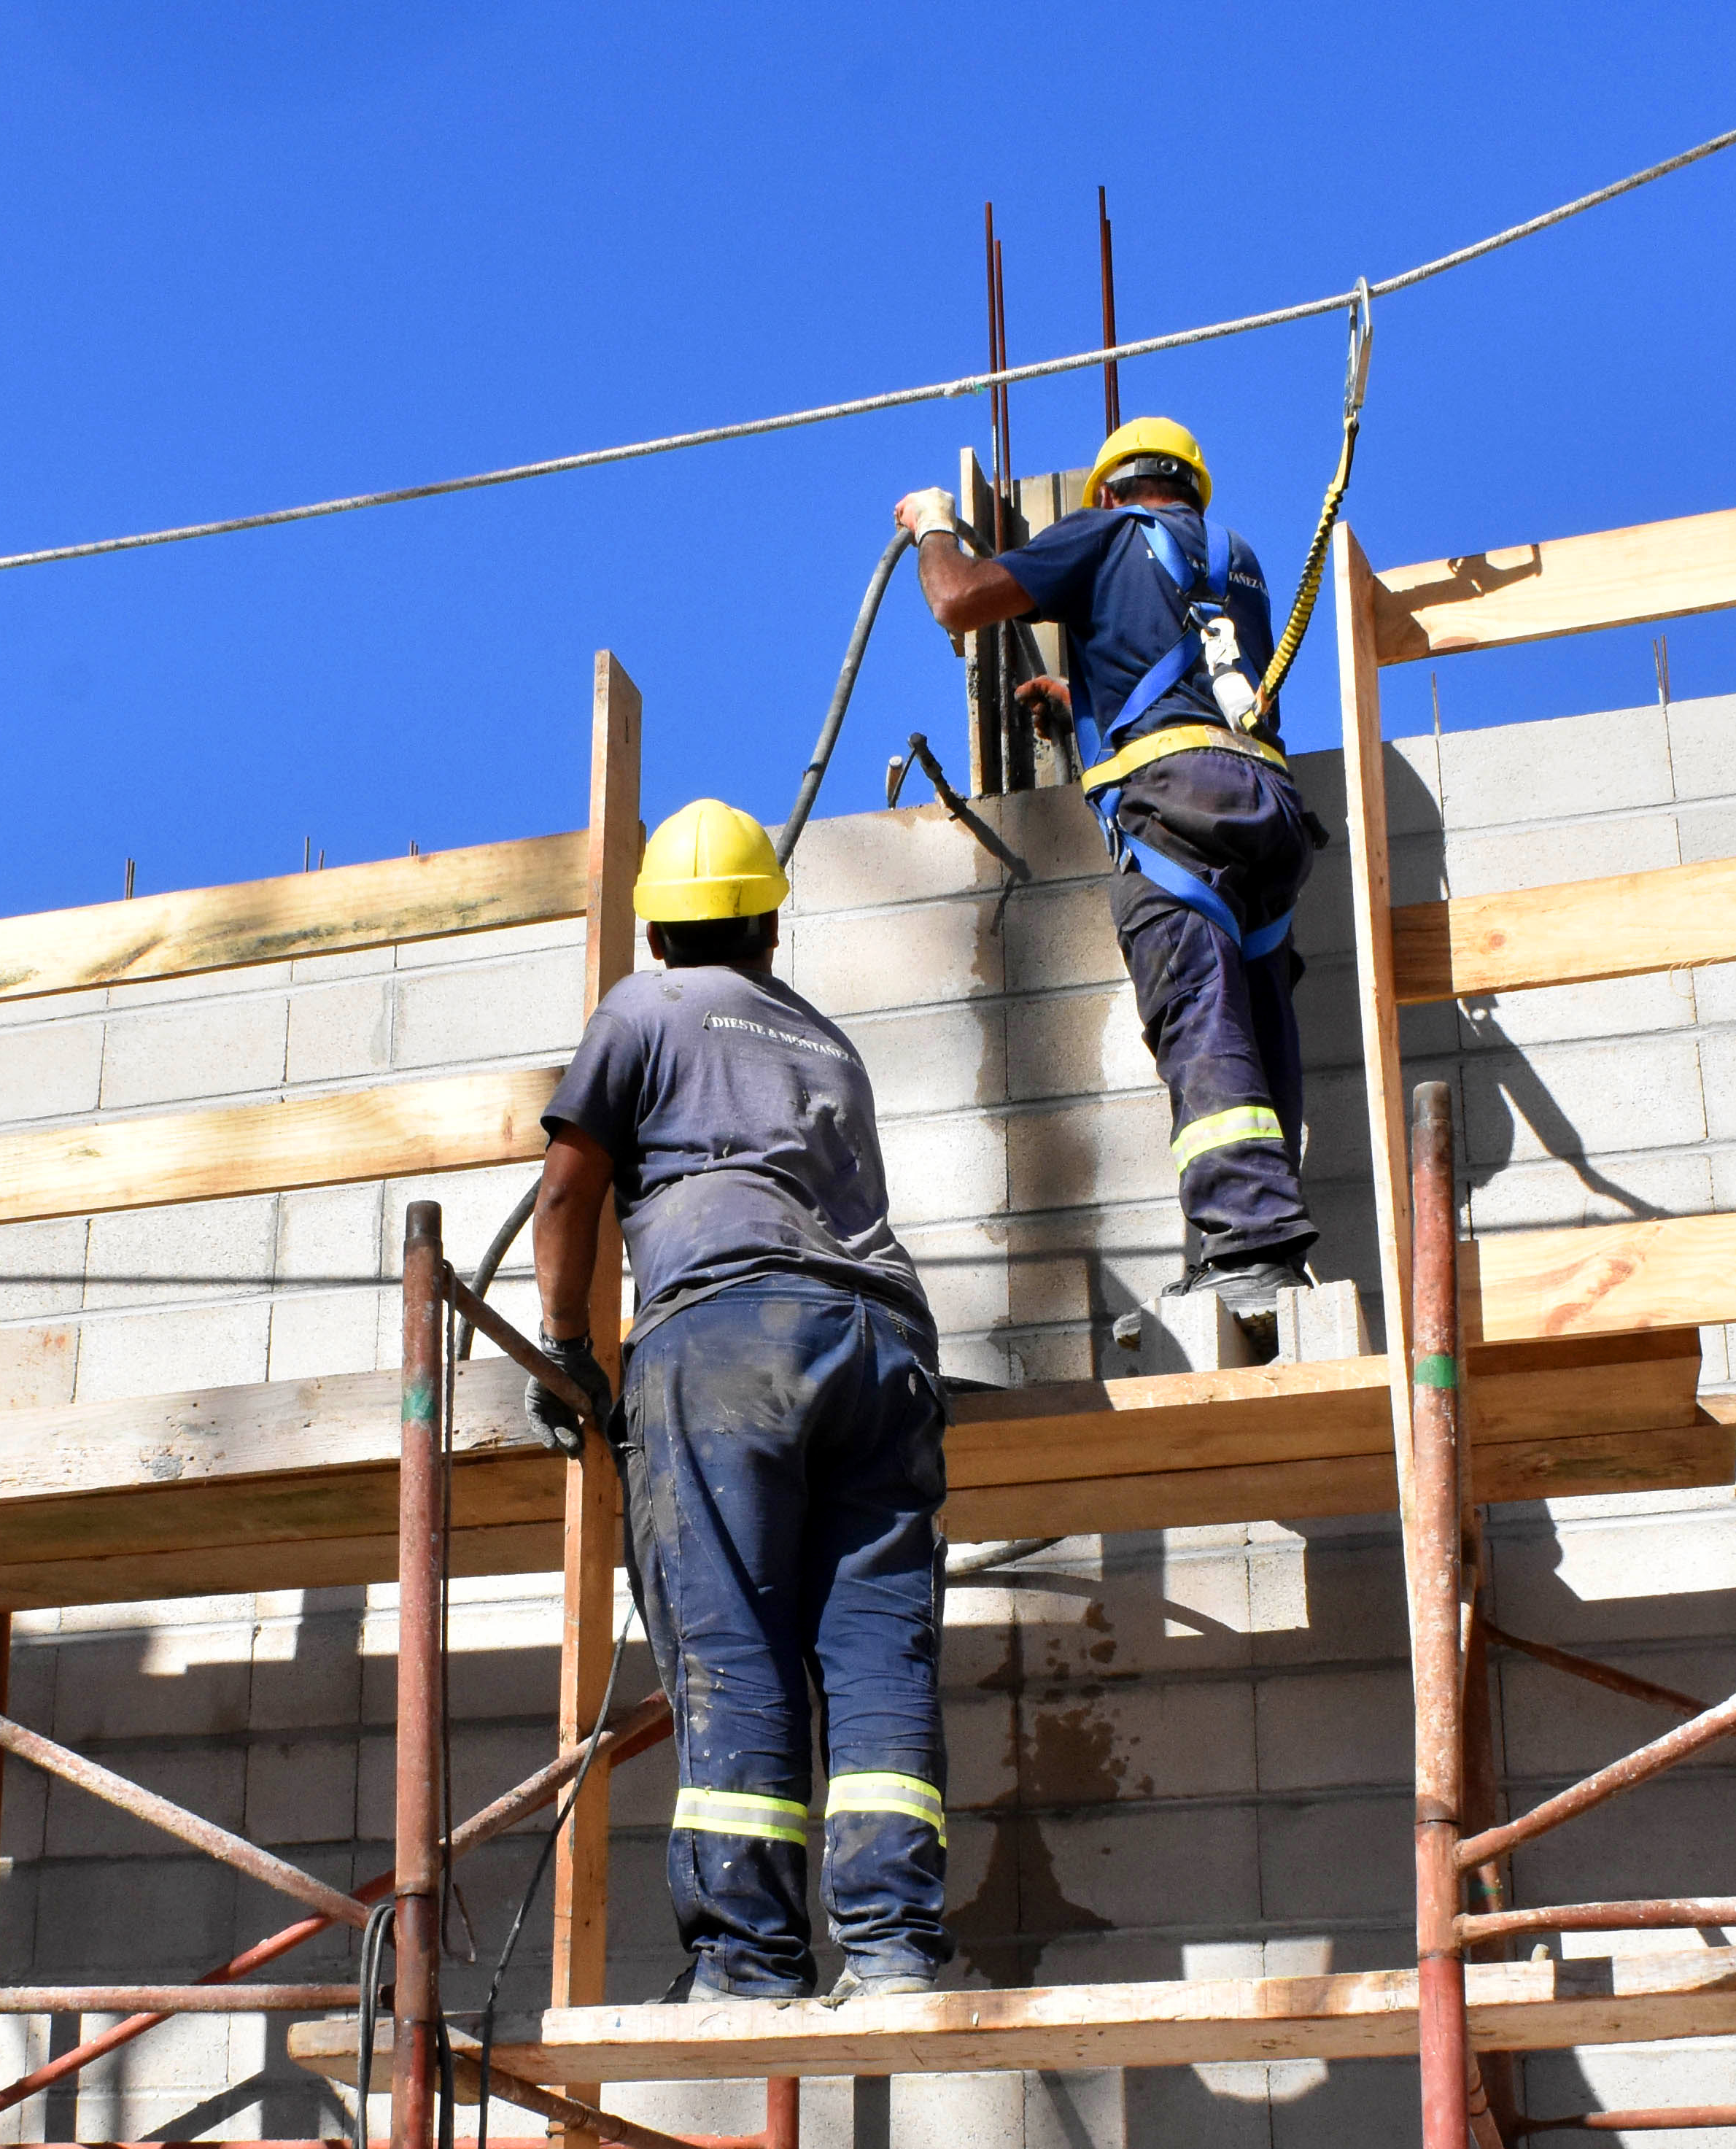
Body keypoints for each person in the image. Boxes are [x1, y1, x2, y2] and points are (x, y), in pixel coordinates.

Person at [521, 797, 956, 2005]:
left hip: (729, 1335)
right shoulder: (827, 1041)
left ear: (657, 932)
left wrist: (567, 1351)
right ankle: (895, 1948)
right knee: (875, 1648)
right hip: (882, 1342)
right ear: (769, 925)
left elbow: (567, 1196)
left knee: (733, 1643)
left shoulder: (643, 1006)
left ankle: (749, 1959)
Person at [898, 414, 1325, 1320]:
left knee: (1196, 1009)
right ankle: (1270, 1235)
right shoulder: (1235, 559)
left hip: (1178, 809)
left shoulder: (1102, 534)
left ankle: (1248, 1240)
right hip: (1268, 809)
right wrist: (1079, 696)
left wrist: (936, 523)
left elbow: (960, 599)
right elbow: (1188, 670)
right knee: (1255, 1015)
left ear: (1107, 492)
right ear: (1189, 489)